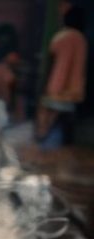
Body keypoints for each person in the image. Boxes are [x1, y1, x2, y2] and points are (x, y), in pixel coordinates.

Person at [38, 4, 87, 147]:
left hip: (55, 86)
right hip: (74, 89)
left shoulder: (60, 37)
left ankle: (43, 142)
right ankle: (64, 146)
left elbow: (51, 62)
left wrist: (45, 85)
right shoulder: (82, 39)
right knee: (65, 119)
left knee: (48, 117)